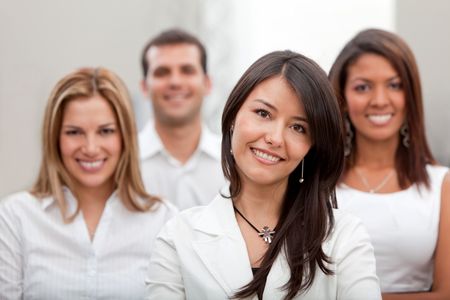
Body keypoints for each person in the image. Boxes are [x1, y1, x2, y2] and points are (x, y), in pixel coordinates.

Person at [145, 50, 381, 300]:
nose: (275, 138)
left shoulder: (345, 236)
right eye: (263, 114)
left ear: (311, 147)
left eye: (298, 128)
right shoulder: (177, 238)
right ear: (234, 115)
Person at [0, 67, 177, 299]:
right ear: (54, 138)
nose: (91, 148)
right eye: (74, 132)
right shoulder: (16, 217)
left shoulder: (162, 219)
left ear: (125, 137)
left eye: (105, 131)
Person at [329, 28, 450, 299]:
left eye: (394, 85)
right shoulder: (316, 182)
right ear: (342, 98)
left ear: (410, 96)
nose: (380, 101)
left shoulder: (442, 186)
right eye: (363, 87)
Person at [139, 28, 226, 210]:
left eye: (187, 70)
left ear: (207, 83)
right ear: (144, 87)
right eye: (162, 72)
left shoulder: (233, 163)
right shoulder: (123, 163)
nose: (175, 82)